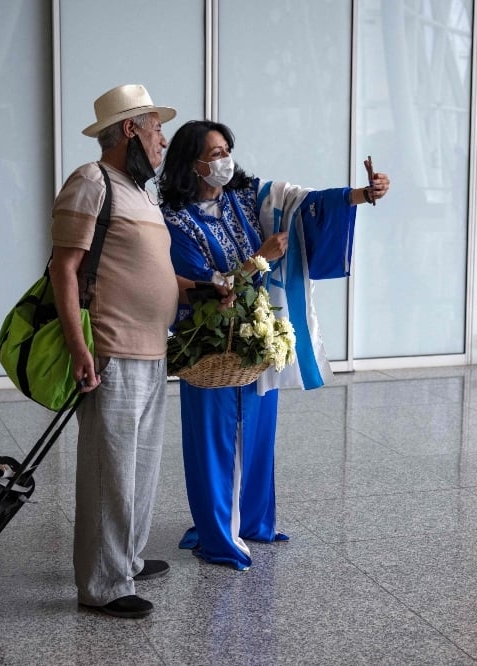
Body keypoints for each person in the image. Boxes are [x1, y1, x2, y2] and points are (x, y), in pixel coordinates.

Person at [158, 119, 391, 570]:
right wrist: (261, 257)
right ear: (192, 162)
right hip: (209, 347)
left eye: (228, 148)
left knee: (258, 432)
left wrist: (362, 195)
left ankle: (252, 522)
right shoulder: (175, 223)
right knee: (213, 442)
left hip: (253, 343)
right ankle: (217, 534)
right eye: (215, 152)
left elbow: (301, 205)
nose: (225, 159)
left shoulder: (242, 199)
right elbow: (206, 291)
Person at [50, 84, 212, 618]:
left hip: (152, 350)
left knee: (140, 468)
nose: (164, 140)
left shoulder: (141, 192)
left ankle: (128, 560)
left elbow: (150, 270)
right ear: (129, 130)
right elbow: (64, 270)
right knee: (110, 472)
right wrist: (80, 349)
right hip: (112, 351)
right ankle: (102, 585)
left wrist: (202, 286)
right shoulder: (91, 182)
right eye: (156, 128)